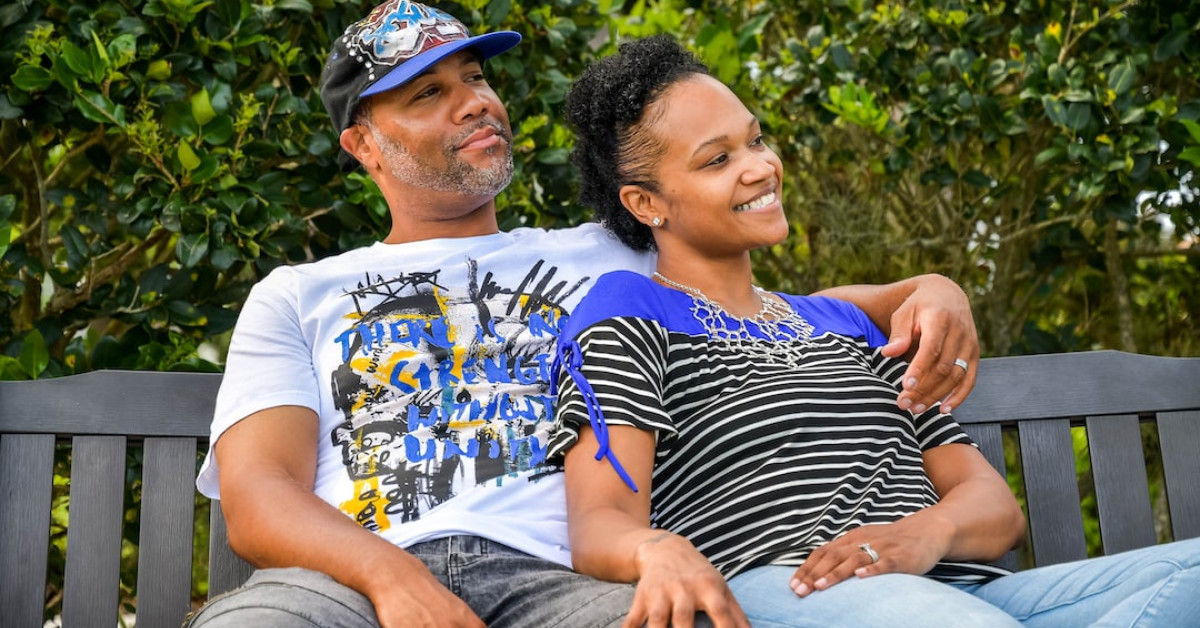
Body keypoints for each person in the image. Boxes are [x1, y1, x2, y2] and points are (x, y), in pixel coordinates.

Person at [184, 3, 985, 627]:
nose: (475, 104)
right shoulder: (296, 293)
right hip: (347, 582)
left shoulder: (614, 254)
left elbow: (774, 312)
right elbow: (259, 495)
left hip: (565, 576)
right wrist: (392, 577)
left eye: (476, 78)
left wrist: (929, 287)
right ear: (362, 145)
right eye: (431, 93)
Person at [549, 34, 1200, 628]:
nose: (759, 167)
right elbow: (602, 521)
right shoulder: (626, 311)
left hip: (960, 589)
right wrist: (658, 551)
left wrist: (928, 533)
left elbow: (993, 507)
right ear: (647, 203)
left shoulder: (845, 322)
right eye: (717, 160)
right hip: (790, 585)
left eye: (755, 139)